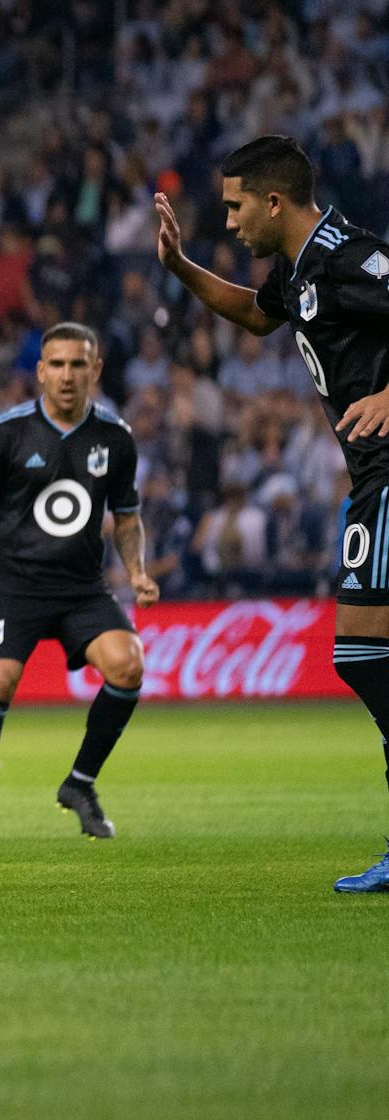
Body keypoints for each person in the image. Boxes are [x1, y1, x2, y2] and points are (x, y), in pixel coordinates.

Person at [154, 135, 389, 891]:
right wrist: (181, 268)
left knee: (361, 651)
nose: (229, 221)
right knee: (366, 654)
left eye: (234, 205)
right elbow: (258, 317)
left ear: (273, 201)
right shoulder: (298, 268)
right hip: (370, 477)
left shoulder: (350, 255)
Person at [0, 323, 157, 843]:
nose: (67, 375)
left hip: (81, 586)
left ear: (96, 370)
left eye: (79, 364)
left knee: (128, 665)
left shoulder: (115, 437)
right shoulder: (7, 431)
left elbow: (126, 517)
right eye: (57, 364)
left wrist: (138, 571)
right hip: (16, 583)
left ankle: (80, 784)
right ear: (40, 372)